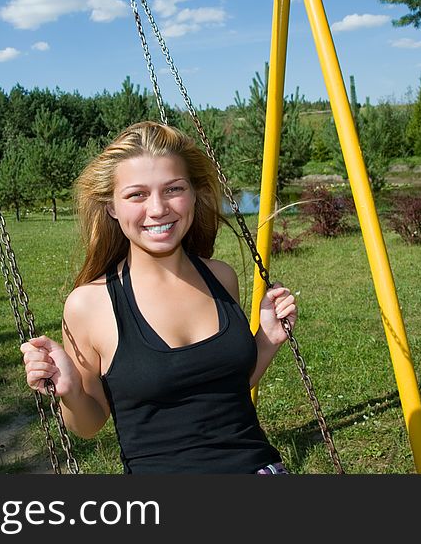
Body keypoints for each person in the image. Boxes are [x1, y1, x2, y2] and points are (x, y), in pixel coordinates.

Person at [21, 121, 296, 474]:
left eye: (173, 189)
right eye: (137, 194)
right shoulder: (90, 304)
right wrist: (71, 390)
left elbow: (226, 387)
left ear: (194, 193)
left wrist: (268, 340)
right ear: (111, 207)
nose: (157, 209)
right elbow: (88, 424)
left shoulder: (220, 277)